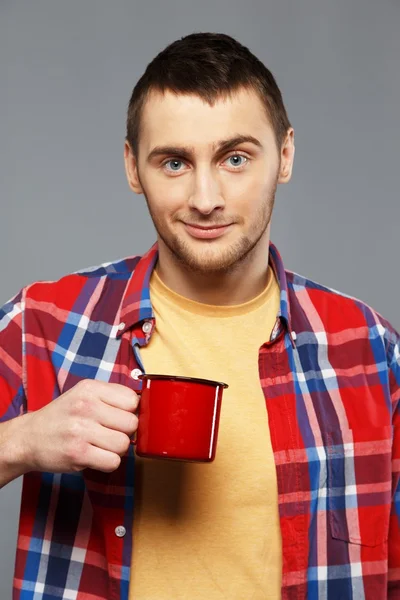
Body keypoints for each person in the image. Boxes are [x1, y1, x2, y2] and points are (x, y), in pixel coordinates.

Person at [0, 31, 399, 600]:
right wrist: (20, 442)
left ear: (284, 156)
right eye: (174, 162)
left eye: (235, 158)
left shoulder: (370, 348)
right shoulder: (42, 322)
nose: (205, 197)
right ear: (133, 167)